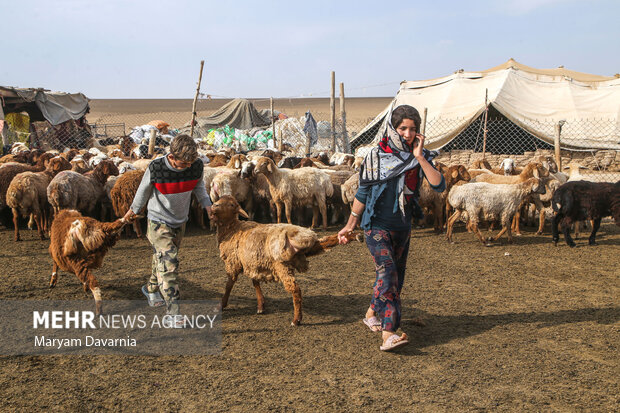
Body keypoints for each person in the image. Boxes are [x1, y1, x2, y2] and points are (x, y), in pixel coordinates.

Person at [337, 105, 445, 351]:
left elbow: (439, 186)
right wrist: (349, 225)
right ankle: (389, 333)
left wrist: (418, 157)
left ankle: (371, 312)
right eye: (403, 128)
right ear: (393, 128)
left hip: (402, 225)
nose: (407, 134)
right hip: (375, 225)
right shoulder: (375, 156)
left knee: (395, 277)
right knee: (388, 274)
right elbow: (363, 192)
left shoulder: (420, 156)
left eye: (413, 129)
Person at [124, 134, 212, 320]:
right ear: (171, 157)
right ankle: (173, 313)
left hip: (180, 221)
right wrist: (132, 212)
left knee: (163, 259)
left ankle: (150, 289)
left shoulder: (195, 166)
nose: (188, 167)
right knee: (170, 263)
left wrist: (207, 205)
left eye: (190, 163)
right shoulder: (156, 168)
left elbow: (199, 186)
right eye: (183, 164)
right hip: (158, 221)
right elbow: (143, 191)